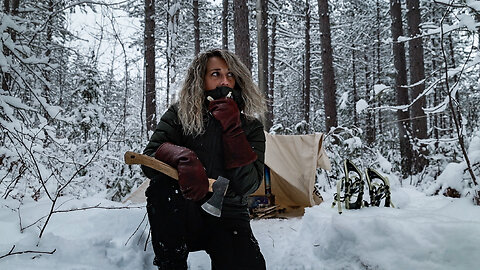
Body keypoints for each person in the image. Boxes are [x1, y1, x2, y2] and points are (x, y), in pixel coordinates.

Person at [141, 48, 267, 270]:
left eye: (230, 75)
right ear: (201, 79)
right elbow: (149, 158)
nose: (224, 81)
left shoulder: (251, 127)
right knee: (161, 188)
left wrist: (233, 129)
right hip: (184, 212)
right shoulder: (181, 115)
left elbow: (249, 185)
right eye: (215, 74)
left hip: (229, 215)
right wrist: (181, 156)